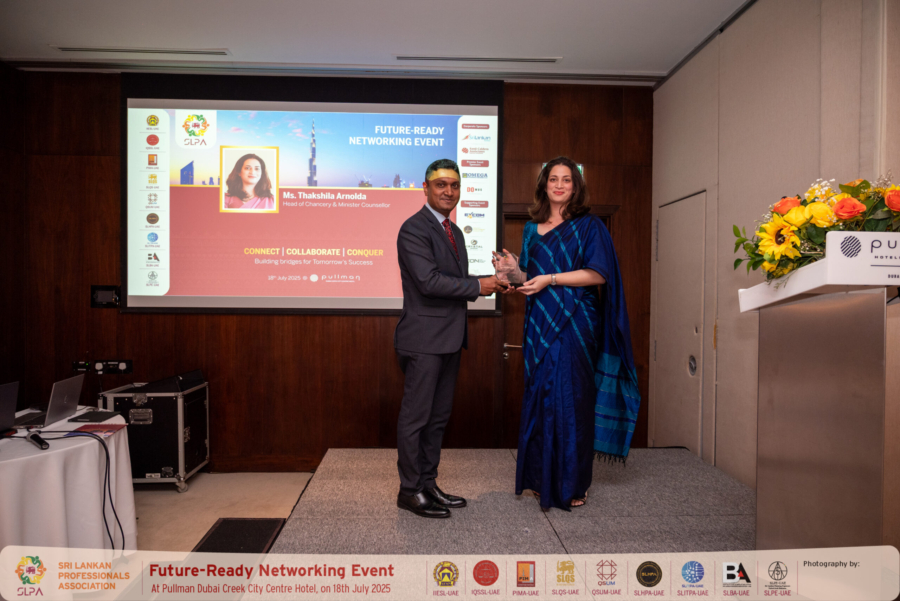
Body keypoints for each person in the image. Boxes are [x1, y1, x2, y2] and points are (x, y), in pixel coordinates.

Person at [492, 156, 641, 511]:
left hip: (577, 322)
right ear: (544, 185)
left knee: (572, 399)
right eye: (553, 179)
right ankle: (541, 479)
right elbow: (530, 279)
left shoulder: (590, 226)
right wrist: (512, 271)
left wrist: (551, 279)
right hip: (540, 323)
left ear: (576, 187)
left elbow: (598, 274)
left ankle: (573, 483)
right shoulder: (532, 229)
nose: (559, 185)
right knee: (541, 397)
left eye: (566, 180)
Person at [395, 158, 506, 518]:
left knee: (438, 418)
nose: (448, 191)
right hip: (423, 340)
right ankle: (410, 491)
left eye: (454, 185)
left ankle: (428, 484)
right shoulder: (413, 229)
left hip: (449, 339)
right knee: (416, 419)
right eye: (440, 184)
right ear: (425, 188)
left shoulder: (454, 231)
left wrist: (493, 280)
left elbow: (452, 281)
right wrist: (478, 286)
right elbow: (429, 282)